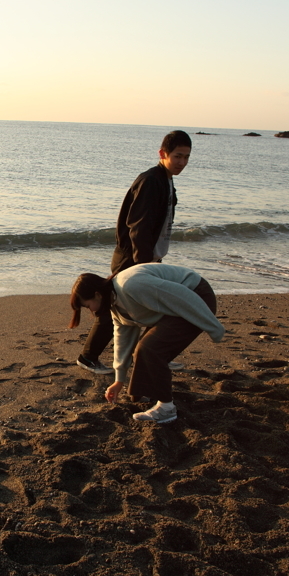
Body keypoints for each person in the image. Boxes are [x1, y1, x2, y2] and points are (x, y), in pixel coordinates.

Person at [76, 130, 193, 376]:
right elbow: (137, 226)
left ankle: (155, 352)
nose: (182, 162)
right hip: (133, 257)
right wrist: (145, 265)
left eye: (186, 157)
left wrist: (154, 259)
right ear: (163, 154)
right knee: (114, 309)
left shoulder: (166, 179)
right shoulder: (151, 180)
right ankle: (88, 357)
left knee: (152, 307)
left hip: (148, 256)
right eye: (177, 156)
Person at [69, 263, 224, 423]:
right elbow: (123, 339)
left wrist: (212, 326)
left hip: (196, 298)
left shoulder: (130, 284)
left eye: (88, 306)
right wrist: (119, 380)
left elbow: (181, 295)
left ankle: (166, 408)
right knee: (142, 351)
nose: (91, 311)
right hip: (176, 307)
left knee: (150, 349)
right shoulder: (114, 304)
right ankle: (144, 394)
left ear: (97, 295)